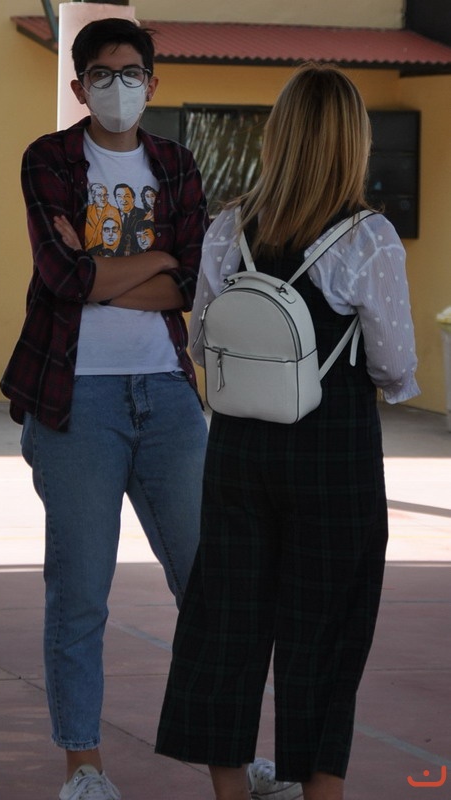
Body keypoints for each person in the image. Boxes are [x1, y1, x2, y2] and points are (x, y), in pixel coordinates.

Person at [0, 17, 299, 800]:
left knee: (210, 587)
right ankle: (84, 770)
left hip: (168, 393)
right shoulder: (48, 159)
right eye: (102, 74)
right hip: (74, 398)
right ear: (79, 86)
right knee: (79, 592)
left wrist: (110, 267)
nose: (118, 87)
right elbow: (62, 279)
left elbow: (191, 282)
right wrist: (152, 259)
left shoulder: (176, 162)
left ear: (153, 83)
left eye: (131, 73)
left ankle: (233, 761)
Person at [155, 63, 420, 800]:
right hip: (333, 452)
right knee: (327, 630)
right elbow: (395, 366)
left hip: (239, 449)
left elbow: (203, 346)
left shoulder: (228, 228)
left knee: (227, 621)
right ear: (352, 142)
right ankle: (319, 792)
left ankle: (229, 791)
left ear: (278, 137)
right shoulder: (369, 239)